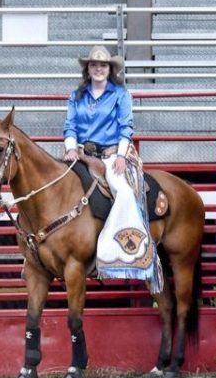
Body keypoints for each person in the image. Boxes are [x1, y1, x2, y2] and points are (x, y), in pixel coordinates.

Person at [62, 45, 162, 292]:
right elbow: (70, 126)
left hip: (109, 156)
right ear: (88, 69)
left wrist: (120, 155)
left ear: (110, 69)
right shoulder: (76, 96)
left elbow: (125, 127)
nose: (98, 69)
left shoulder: (120, 94)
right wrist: (71, 147)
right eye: (94, 65)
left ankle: (119, 253)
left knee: (125, 193)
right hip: (81, 154)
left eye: (103, 65)